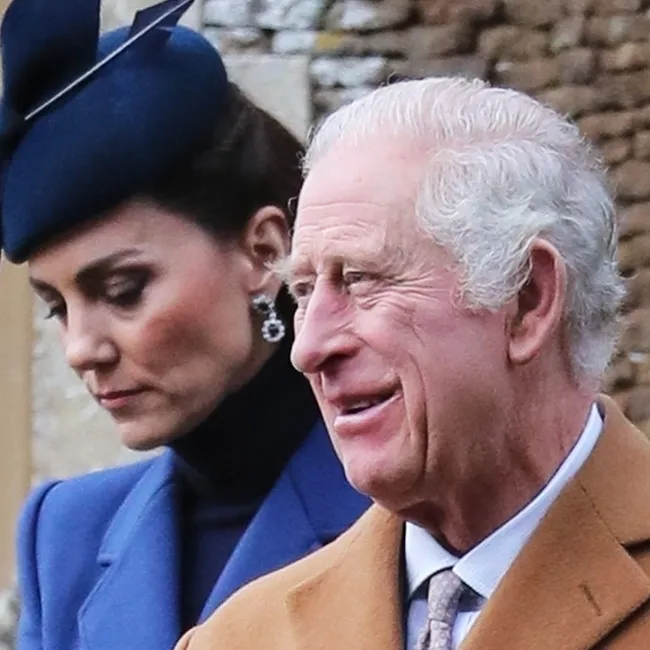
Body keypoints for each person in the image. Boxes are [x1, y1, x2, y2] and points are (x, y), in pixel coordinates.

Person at [176, 76, 650, 650]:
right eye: (302, 292)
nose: (308, 350)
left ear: (526, 299)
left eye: (360, 280)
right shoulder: (241, 637)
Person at [0, 1, 369, 650]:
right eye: (57, 306)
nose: (81, 349)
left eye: (123, 290)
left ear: (264, 252)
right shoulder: (66, 536)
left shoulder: (411, 505)